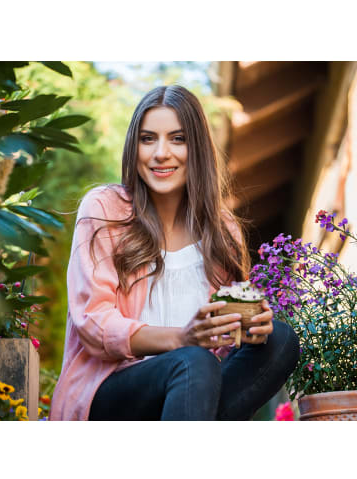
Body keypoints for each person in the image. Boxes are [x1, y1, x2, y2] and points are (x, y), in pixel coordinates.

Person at [49, 84, 300, 421]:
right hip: (111, 393)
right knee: (192, 358)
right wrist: (181, 338)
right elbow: (92, 322)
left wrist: (248, 325)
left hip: (193, 392)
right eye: (148, 138)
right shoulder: (105, 208)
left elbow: (222, 346)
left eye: (178, 139)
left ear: (196, 148)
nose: (161, 153)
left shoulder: (222, 230)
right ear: (133, 147)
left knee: (279, 340)